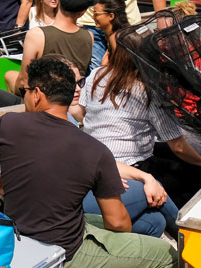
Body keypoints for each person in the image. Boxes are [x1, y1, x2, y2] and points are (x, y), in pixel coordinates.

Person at [0, 57, 177, 268]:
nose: (26, 97)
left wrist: (1, 185)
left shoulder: (9, 123)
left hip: (23, 238)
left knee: (154, 222)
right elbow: (117, 223)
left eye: (26, 92)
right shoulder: (93, 149)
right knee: (167, 257)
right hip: (67, 254)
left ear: (37, 94)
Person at [72, 35, 201, 208]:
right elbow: (178, 146)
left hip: (95, 156)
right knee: (190, 171)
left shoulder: (96, 74)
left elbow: (82, 113)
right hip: (131, 164)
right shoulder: (148, 90)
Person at [7, 0, 96, 93]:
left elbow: (23, 81)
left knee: (9, 75)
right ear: (82, 12)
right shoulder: (89, 36)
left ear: (60, 2)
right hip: (75, 93)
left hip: (47, 97)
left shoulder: (37, 34)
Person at [91, 0, 131, 65]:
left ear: (111, 16)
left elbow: (121, 69)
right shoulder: (125, 32)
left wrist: (104, 66)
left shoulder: (115, 38)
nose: (93, 17)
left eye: (96, 14)